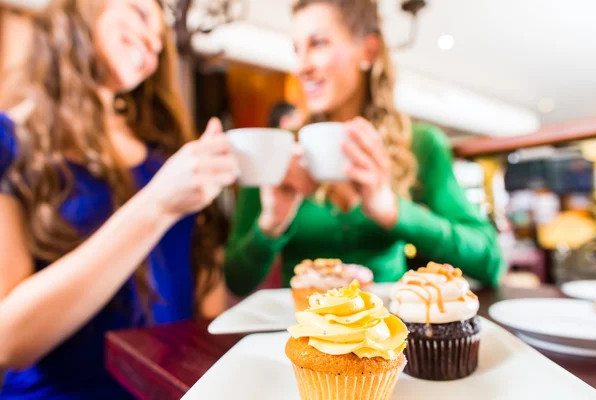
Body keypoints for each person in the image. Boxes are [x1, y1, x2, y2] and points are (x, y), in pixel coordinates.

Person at [0, 0, 237, 398]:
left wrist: (269, 227)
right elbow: (8, 340)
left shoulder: (163, 149)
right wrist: (156, 205)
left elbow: (205, 306)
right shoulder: (12, 142)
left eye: (161, 44)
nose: (151, 42)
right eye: (141, 14)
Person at [224, 0, 505, 297]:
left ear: (369, 51)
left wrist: (394, 211)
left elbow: (491, 261)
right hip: (302, 334)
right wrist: (270, 226)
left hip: (389, 334)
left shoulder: (420, 144)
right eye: (297, 50)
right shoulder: (280, 150)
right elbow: (236, 280)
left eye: (318, 43)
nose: (301, 66)